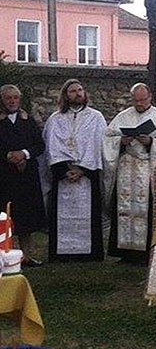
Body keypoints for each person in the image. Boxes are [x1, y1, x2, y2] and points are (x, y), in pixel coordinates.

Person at [102, 83, 156, 263]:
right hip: (126, 169)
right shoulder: (123, 117)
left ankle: (145, 254)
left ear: (150, 97)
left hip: (147, 171)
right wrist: (122, 142)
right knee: (124, 209)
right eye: (136, 100)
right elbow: (107, 139)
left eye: (142, 100)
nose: (139, 104)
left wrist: (151, 142)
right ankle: (126, 253)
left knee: (146, 210)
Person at [42, 79, 107, 261]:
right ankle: (62, 254)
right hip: (62, 173)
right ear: (65, 95)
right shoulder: (55, 119)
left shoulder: (96, 117)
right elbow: (50, 146)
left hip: (88, 173)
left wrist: (83, 169)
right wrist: (63, 169)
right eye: (72, 91)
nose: (77, 93)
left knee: (89, 215)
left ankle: (89, 254)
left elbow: (100, 145)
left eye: (80, 90)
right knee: (62, 215)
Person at [0, 84, 46, 266]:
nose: (12, 101)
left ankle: (26, 256)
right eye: (8, 98)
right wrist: (9, 156)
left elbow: (39, 145)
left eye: (15, 98)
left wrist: (25, 154)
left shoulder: (27, 120)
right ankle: (5, 257)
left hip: (26, 176)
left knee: (26, 218)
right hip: (4, 177)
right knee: (5, 216)